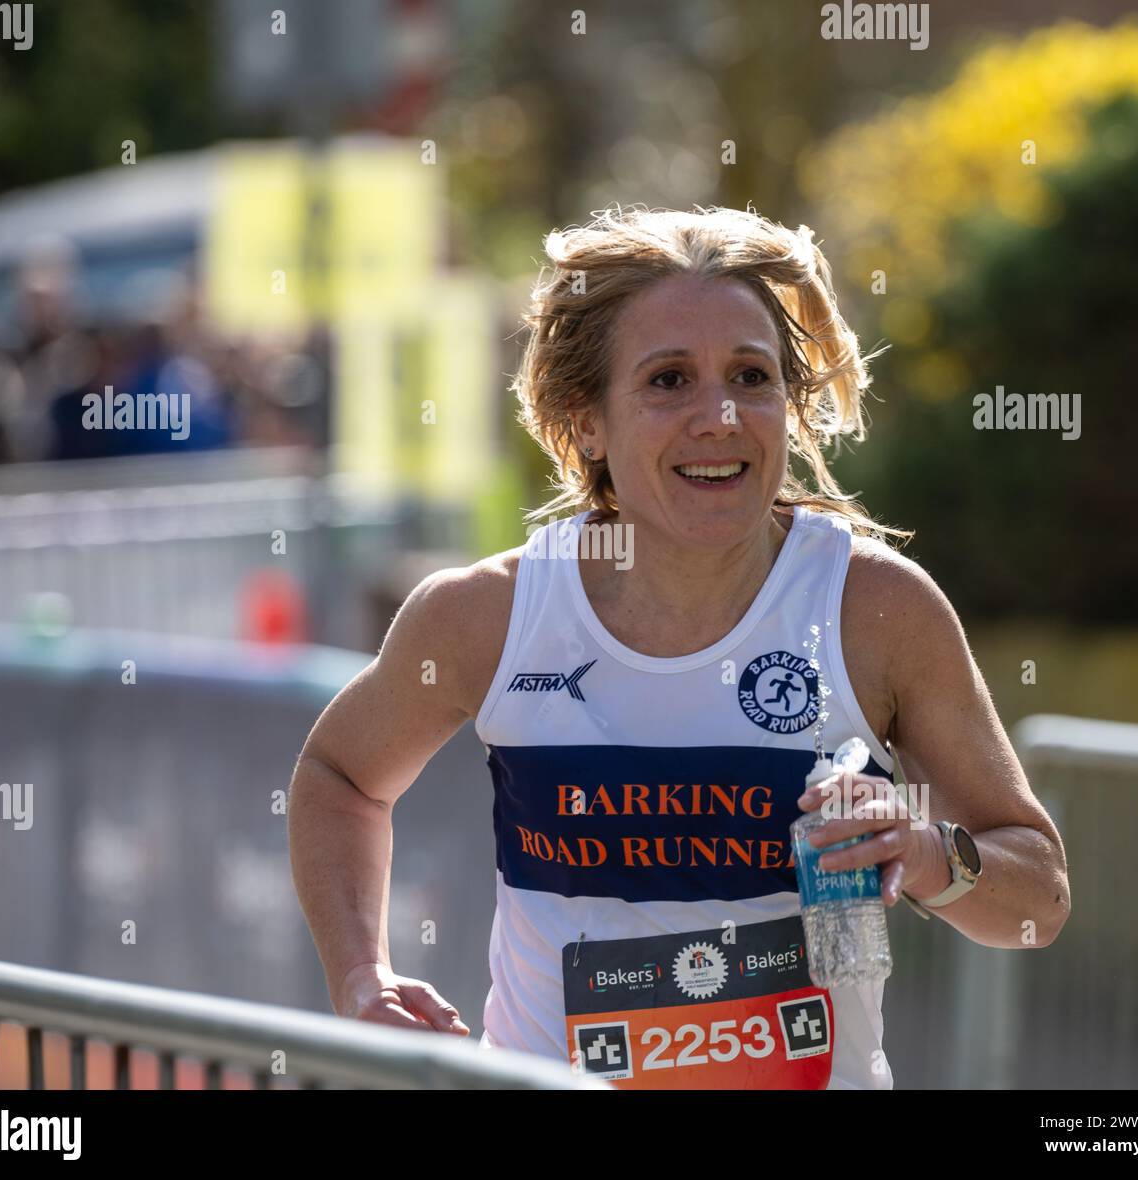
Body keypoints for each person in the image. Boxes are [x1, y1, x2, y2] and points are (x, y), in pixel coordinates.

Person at [287, 204, 1070, 1089]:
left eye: (751, 375)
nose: (721, 417)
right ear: (587, 422)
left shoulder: (873, 609)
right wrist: (362, 976)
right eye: (668, 380)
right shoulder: (490, 616)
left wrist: (928, 855)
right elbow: (340, 778)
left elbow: (1037, 898)